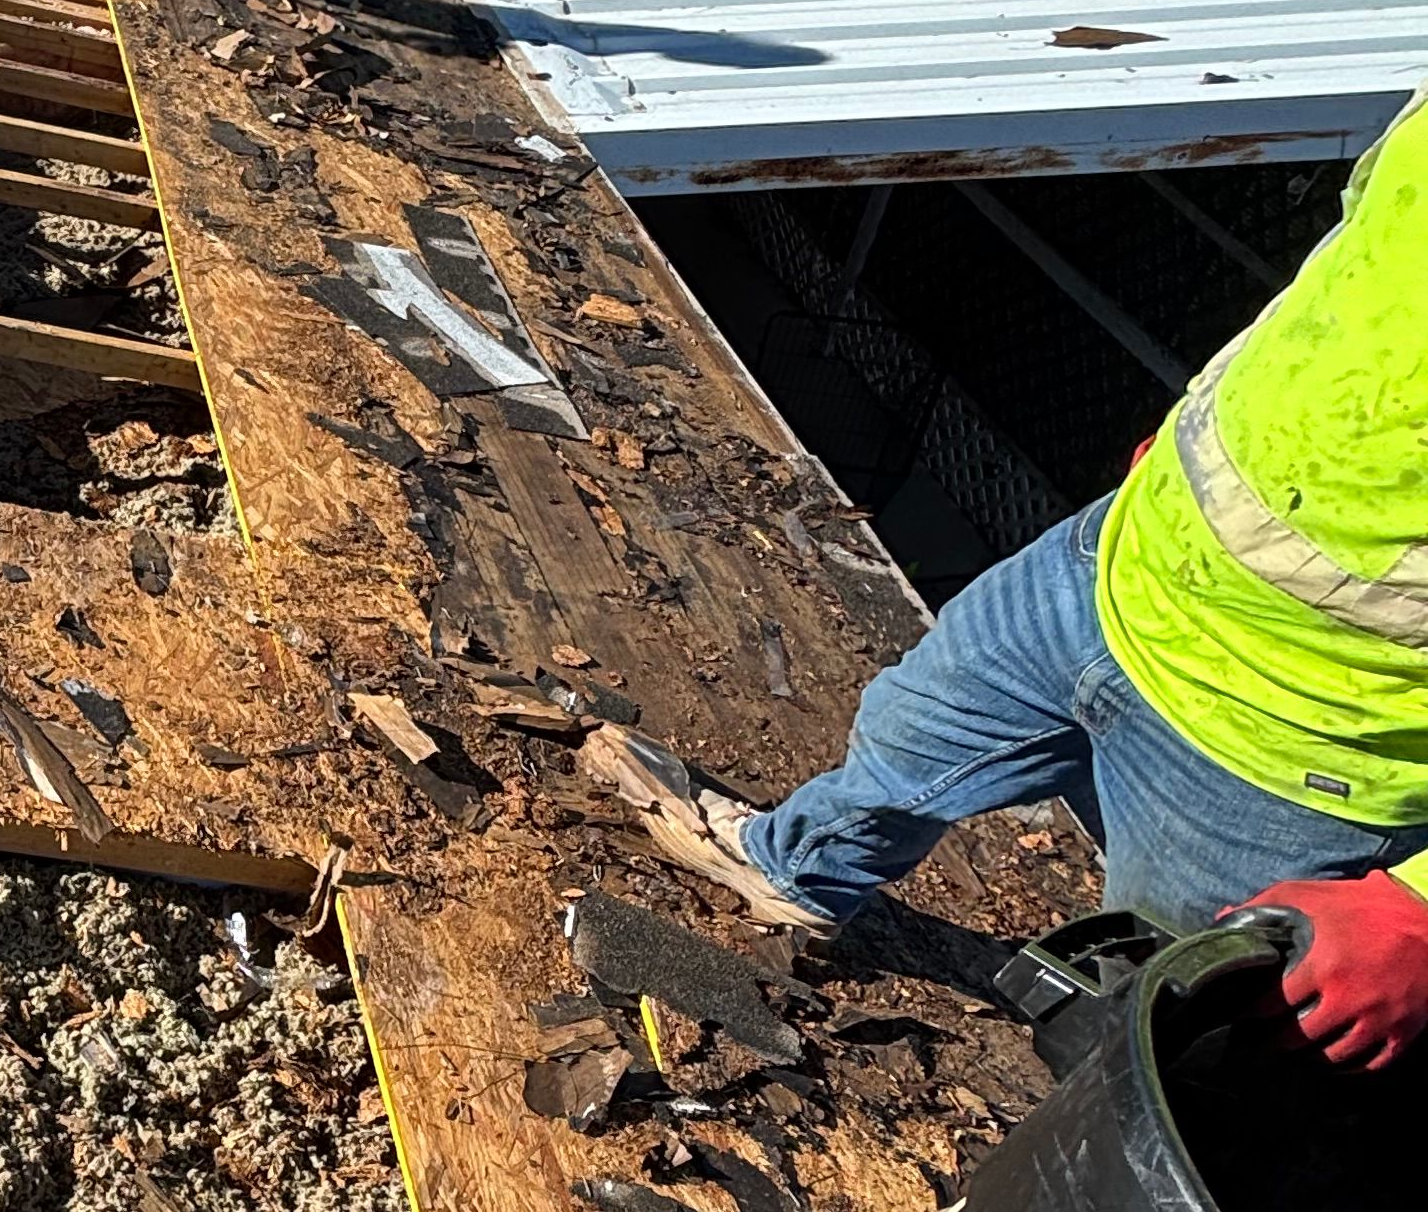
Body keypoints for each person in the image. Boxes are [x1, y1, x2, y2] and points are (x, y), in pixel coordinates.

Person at [590, 92, 1428, 1068]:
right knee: (910, 734)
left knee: (1158, 1033)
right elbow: (1364, 259)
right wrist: (1213, 424)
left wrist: (1418, 907)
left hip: (1294, 746)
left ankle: (1041, 1203)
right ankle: (794, 876)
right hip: (1131, 553)